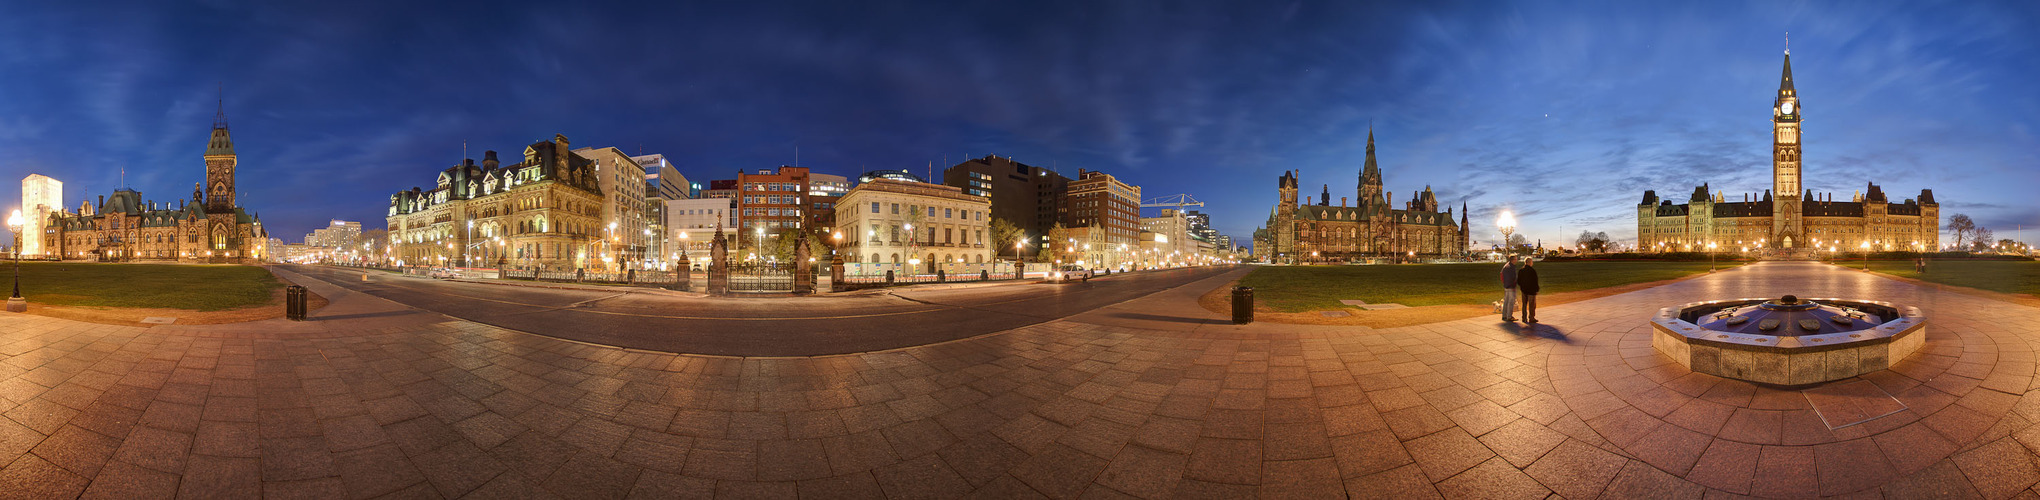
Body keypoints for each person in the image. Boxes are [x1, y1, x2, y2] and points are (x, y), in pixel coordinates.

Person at [1518, 258, 1541, 324]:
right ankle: (1531, 318)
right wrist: (1536, 289)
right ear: (1530, 262)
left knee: (1524, 305)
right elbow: (1535, 281)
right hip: (1531, 291)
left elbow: (1519, 281)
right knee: (1532, 305)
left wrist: (1522, 287)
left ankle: (1524, 318)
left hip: (1524, 290)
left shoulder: (1521, 270)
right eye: (1532, 262)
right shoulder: (1532, 270)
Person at [1499, 256, 1519, 322]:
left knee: (1506, 301)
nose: (1517, 260)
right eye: (1516, 259)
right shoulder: (1511, 267)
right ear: (1513, 260)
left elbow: (1501, 275)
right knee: (1511, 301)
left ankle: (1504, 315)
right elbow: (1513, 278)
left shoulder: (1505, 266)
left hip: (1506, 286)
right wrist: (1513, 285)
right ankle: (1509, 316)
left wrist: (1505, 283)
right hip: (1511, 286)